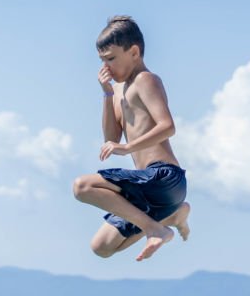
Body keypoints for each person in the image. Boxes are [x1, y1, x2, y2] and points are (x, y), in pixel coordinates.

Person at [72, 15, 190, 262]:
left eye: (111, 59)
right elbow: (111, 138)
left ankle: (154, 229)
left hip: (163, 177)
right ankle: (170, 218)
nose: (106, 67)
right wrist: (106, 95)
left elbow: (167, 126)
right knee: (101, 247)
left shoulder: (145, 80)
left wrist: (128, 147)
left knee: (82, 186)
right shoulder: (116, 91)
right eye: (102, 61)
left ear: (134, 52)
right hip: (147, 192)